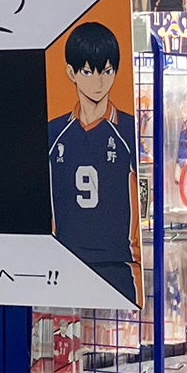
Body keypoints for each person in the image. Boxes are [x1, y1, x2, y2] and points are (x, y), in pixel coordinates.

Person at [47, 21, 141, 305]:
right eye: (88, 72)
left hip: (119, 266)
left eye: (107, 71)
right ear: (71, 73)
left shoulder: (130, 131)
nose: (98, 82)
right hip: (64, 263)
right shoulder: (53, 133)